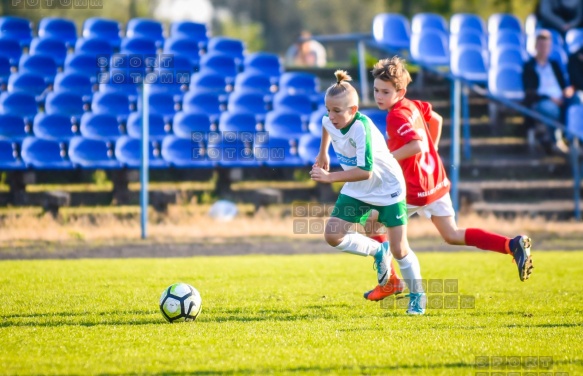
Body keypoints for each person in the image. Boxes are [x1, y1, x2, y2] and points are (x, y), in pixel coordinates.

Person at [362, 56, 534, 302]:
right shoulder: (413, 105)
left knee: (371, 225)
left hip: (414, 188)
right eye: (377, 90)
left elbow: (416, 145)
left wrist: (388, 158)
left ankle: (391, 282)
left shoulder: (396, 116)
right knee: (452, 234)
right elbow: (436, 120)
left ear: (401, 91)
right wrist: (433, 148)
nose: (379, 96)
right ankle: (512, 245)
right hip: (435, 181)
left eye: (385, 92)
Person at [310, 70, 426, 314]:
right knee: (333, 235)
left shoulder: (362, 128)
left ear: (353, 110)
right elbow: (325, 127)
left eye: (337, 111)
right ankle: (377, 250)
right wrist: (323, 153)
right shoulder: (329, 120)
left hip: (388, 188)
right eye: (328, 110)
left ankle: (418, 296)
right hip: (359, 189)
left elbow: (365, 171)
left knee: (400, 248)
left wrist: (330, 178)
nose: (331, 116)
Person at [523, 29, 574, 155]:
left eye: (546, 45)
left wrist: (567, 90)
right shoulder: (529, 67)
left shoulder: (554, 64)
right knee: (552, 110)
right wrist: (550, 98)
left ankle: (573, 139)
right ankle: (557, 140)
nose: (544, 48)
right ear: (536, 46)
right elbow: (530, 91)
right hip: (542, 100)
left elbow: (563, 84)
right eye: (541, 45)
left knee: (577, 102)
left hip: (561, 97)